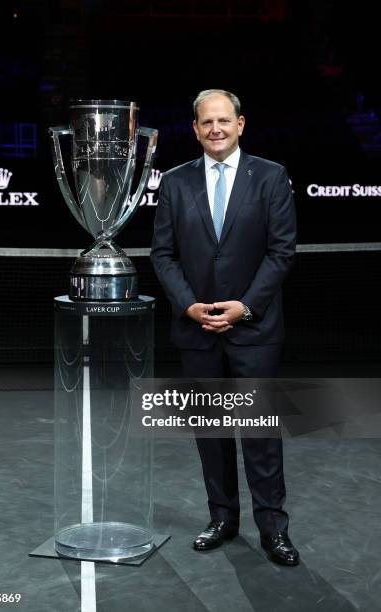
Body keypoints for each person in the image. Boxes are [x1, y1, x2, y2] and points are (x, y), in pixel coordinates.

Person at [150, 89, 299, 566]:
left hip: (254, 330)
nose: (215, 129)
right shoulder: (174, 183)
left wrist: (245, 308)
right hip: (196, 331)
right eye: (206, 122)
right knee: (211, 435)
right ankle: (222, 519)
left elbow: (281, 252)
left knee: (259, 435)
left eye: (223, 121)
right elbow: (163, 255)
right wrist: (190, 306)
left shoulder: (271, 177)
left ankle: (273, 529)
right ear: (195, 129)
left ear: (240, 124)